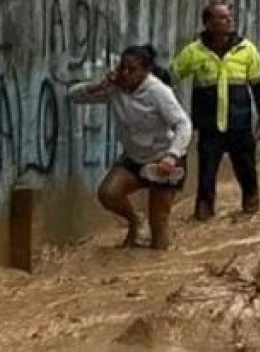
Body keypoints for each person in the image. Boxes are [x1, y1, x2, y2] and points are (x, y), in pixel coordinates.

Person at [69, 45, 192, 249]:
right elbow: (73, 96)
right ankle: (135, 220)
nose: (125, 73)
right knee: (108, 193)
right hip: (134, 158)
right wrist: (99, 86)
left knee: (159, 232)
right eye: (122, 68)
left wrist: (172, 156)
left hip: (164, 160)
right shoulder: (114, 88)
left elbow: (183, 124)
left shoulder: (158, 91)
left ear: (145, 71)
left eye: (132, 69)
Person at [173, 2, 260, 220]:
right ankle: (204, 212)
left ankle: (251, 204)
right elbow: (172, 75)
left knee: (246, 169)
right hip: (209, 127)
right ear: (208, 23)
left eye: (230, 17)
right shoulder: (194, 52)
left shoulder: (247, 50)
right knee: (206, 174)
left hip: (240, 124)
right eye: (223, 17)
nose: (229, 21)